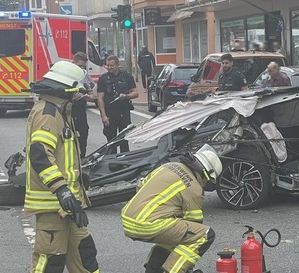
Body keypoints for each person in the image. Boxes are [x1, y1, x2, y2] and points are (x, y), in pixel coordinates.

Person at [25, 61, 100, 273]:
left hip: (68, 204)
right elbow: (40, 153)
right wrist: (62, 189)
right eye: (77, 91)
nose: (79, 95)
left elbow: (61, 155)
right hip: (53, 206)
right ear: (67, 89)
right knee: (50, 263)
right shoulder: (48, 114)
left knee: (86, 254)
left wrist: (76, 177)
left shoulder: (61, 112)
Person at [121, 144, 221, 273]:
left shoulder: (168, 166)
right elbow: (194, 222)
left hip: (128, 217)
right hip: (148, 224)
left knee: (175, 230)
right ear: (206, 175)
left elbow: (140, 186)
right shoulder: (194, 188)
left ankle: (153, 269)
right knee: (205, 235)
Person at [97, 55, 139, 153]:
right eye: (108, 65)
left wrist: (126, 96)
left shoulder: (127, 76)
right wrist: (103, 115)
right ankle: (111, 163)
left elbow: (135, 93)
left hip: (123, 111)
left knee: (124, 139)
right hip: (110, 112)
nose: (109, 68)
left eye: (112, 65)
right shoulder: (103, 79)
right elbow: (100, 98)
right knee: (111, 141)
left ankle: (125, 162)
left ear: (117, 65)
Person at [72, 52, 95, 158]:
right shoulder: (68, 74)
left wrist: (88, 96)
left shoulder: (85, 74)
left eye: (83, 66)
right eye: (79, 66)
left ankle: (82, 160)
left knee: (83, 135)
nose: (81, 68)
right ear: (73, 63)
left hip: (81, 110)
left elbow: (91, 93)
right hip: (69, 111)